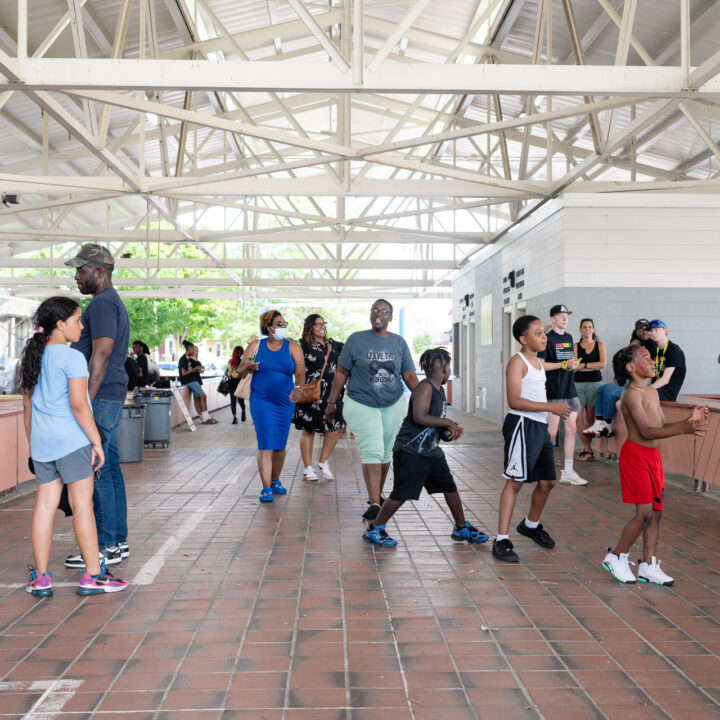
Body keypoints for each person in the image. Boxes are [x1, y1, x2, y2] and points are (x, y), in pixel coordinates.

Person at [20, 297, 128, 596]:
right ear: (59, 324)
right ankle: (93, 575)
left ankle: (41, 579)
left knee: (44, 507)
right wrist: (97, 441)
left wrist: (34, 444)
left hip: (43, 444)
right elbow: (79, 405)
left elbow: (28, 406)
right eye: (78, 320)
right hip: (72, 443)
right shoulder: (72, 358)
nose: (82, 326)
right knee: (83, 507)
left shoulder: (31, 358)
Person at [602, 345, 707, 585]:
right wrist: (685, 428)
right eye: (645, 359)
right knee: (644, 513)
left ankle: (648, 565)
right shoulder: (631, 394)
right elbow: (647, 431)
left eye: (651, 358)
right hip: (635, 457)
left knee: (656, 513)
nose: (652, 362)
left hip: (652, 458)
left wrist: (688, 421)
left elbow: (660, 425)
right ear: (630, 368)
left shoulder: (651, 392)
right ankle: (616, 556)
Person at [363, 348, 489, 547]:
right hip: (411, 451)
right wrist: (448, 421)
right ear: (445, 368)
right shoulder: (426, 387)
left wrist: (449, 433)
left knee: (450, 488)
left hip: (431, 452)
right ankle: (375, 529)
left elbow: (433, 425)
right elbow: (419, 417)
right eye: (449, 365)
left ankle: (461, 527)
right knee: (400, 494)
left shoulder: (439, 389)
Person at [64, 244, 130, 569]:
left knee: (97, 466)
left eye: (81, 270)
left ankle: (104, 547)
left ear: (100, 271)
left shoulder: (102, 304)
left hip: (101, 394)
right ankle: (117, 540)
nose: (76, 276)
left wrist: (84, 403)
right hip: (111, 391)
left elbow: (100, 355)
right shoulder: (108, 302)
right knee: (111, 466)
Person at [325, 299, 418, 521]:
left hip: (394, 404)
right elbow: (341, 373)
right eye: (375, 310)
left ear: (391, 317)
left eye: (384, 311)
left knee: (386, 453)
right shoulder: (356, 340)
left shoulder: (399, 342)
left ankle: (377, 496)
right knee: (373, 450)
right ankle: (375, 502)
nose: (379, 314)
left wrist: (428, 396)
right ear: (370, 314)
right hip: (361, 403)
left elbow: (409, 375)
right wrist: (331, 402)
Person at [493, 316, 571, 564]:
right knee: (515, 482)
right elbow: (514, 400)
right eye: (538, 333)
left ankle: (530, 525)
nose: (544, 337)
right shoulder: (517, 363)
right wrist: (551, 407)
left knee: (547, 482)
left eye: (544, 333)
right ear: (524, 339)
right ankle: (501, 539)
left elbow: (546, 367)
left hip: (539, 427)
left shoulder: (536, 361)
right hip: (521, 426)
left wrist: (565, 365)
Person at [238, 310, 305, 502]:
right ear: (268, 327)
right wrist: (249, 366)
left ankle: (275, 480)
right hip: (261, 401)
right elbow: (240, 371)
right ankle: (266, 487)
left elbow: (300, 372)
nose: (283, 327)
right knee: (266, 442)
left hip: (285, 401)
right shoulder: (255, 346)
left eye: (284, 323)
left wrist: (299, 389)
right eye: (279, 324)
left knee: (280, 445)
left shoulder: (293, 347)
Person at [583, 318, 656, 438]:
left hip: (640, 382)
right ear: (636, 330)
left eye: (647, 329)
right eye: (641, 329)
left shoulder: (651, 345)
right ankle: (599, 423)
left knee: (610, 392)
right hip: (631, 378)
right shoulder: (635, 342)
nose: (644, 332)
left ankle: (607, 424)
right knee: (601, 389)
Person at [539, 304, 586, 486]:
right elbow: (541, 364)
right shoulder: (546, 338)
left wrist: (573, 365)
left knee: (572, 429)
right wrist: (563, 365)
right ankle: (543, 466)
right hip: (554, 390)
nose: (565, 318)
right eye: (560, 315)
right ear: (553, 319)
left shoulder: (569, 337)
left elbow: (568, 361)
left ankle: (568, 470)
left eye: (566, 315)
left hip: (570, 388)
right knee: (551, 432)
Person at [294, 314, 345, 480]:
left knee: (337, 427)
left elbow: (352, 353)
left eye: (324, 323)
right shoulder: (302, 345)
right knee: (308, 430)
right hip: (310, 393)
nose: (322, 327)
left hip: (332, 394)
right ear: (310, 326)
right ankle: (308, 467)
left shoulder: (334, 345)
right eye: (318, 324)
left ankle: (322, 461)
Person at [574, 318, 606, 462]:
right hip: (577, 384)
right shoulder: (575, 346)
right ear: (580, 330)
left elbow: (603, 364)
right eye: (585, 327)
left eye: (590, 327)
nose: (587, 329)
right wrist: (592, 365)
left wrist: (584, 365)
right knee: (578, 418)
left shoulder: (600, 345)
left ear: (593, 329)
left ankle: (587, 449)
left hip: (595, 384)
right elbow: (574, 367)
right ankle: (587, 448)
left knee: (590, 419)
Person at [179, 341, 218, 425]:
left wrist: (196, 370)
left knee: (202, 397)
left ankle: (206, 417)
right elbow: (183, 373)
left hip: (193, 380)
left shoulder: (187, 359)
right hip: (188, 381)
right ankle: (204, 418)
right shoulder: (183, 359)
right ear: (189, 349)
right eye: (193, 349)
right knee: (202, 396)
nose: (194, 351)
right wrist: (194, 369)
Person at [649, 319, 686, 402]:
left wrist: (646, 389)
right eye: (651, 330)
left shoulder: (674, 350)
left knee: (638, 396)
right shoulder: (655, 351)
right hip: (655, 388)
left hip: (667, 392)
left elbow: (665, 379)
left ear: (665, 331)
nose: (653, 333)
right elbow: (650, 373)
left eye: (656, 330)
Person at [226, 345, 246, 424]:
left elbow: (227, 372)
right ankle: (237, 415)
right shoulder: (241, 362)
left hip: (233, 382)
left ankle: (236, 416)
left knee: (234, 400)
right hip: (238, 382)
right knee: (239, 400)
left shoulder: (230, 362)